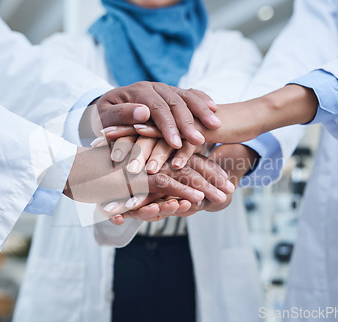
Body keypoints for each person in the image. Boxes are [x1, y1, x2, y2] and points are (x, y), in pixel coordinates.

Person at [0, 1, 230, 321]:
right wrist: (69, 168)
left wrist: (96, 107)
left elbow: (0, 63)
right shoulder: (71, 46)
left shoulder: (228, 48)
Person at [113, 0, 338, 320]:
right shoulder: (67, 52)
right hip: (112, 245)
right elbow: (311, 38)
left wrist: (260, 116)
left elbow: (216, 117)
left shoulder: (230, 49)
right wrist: (243, 145)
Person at [14, 1, 264, 322]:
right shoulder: (66, 50)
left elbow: (218, 110)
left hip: (190, 254)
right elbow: (51, 116)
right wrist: (175, 134)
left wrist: (136, 133)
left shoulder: (231, 49)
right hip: (95, 255)